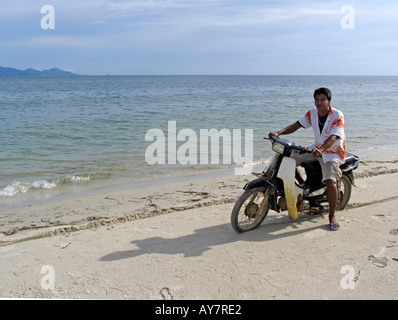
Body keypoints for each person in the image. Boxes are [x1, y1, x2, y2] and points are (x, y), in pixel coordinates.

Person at [268, 87, 346, 231]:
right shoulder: (313, 113)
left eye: (322, 99)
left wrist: (321, 150)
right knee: (288, 156)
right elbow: (297, 125)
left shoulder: (337, 115)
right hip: (316, 148)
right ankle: (302, 186)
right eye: (316, 99)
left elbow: (334, 137)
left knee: (330, 181)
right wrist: (278, 133)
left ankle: (332, 216)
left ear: (329, 101)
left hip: (332, 152)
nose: (319, 102)